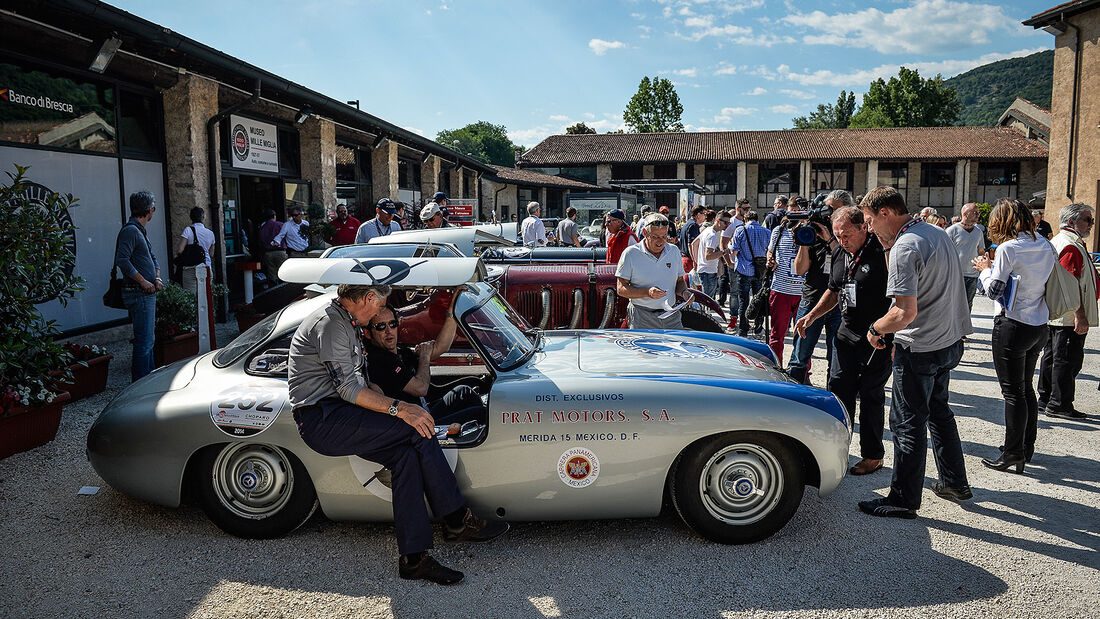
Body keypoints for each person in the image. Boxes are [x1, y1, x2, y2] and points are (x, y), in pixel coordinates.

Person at [288, 283, 508, 585]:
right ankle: (457, 520)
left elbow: (354, 379)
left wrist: (376, 392)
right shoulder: (332, 324)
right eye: (379, 307)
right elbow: (348, 388)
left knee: (405, 457)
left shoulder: (343, 319)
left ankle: (413, 559)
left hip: (338, 413)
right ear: (368, 299)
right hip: (323, 418)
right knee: (418, 428)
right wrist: (401, 409)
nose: (381, 313)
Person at [857, 186, 973, 519]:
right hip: (948, 341)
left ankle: (903, 499)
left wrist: (876, 328)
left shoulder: (907, 246)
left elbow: (903, 312)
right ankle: (954, 482)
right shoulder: (935, 232)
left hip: (920, 346)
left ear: (885, 213)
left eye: (869, 221)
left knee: (907, 423)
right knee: (939, 412)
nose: (869, 229)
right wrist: (885, 248)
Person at [794, 206, 891, 476]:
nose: (843, 240)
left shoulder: (882, 253)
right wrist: (812, 316)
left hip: (876, 337)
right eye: (838, 235)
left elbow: (900, 297)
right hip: (846, 334)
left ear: (864, 228)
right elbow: (834, 290)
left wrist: (893, 333)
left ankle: (873, 455)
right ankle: (839, 448)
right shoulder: (838, 251)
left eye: (847, 235)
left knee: (871, 395)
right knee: (838, 391)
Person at [972, 198, 1056, 472]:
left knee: (1012, 393)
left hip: (1013, 324)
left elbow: (994, 290)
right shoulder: (1044, 244)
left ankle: (1012, 452)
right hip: (1038, 324)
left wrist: (985, 270)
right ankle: (1024, 447)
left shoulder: (1009, 248)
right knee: (1025, 388)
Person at [364, 300, 486, 425]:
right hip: (415, 425)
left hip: (424, 411)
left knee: (464, 392)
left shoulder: (400, 352)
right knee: (480, 414)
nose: (389, 331)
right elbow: (420, 389)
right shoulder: (379, 360)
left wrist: (452, 312)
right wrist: (424, 357)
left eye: (392, 324)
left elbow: (441, 347)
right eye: (381, 327)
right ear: (367, 333)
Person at [1038, 203, 1098, 420]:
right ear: (1072, 221)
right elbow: (1070, 284)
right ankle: (1059, 404)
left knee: (1053, 356)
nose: (1091, 223)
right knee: (1067, 359)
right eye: (1087, 219)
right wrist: (1080, 315)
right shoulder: (1069, 244)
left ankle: (1047, 399)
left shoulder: (1064, 241)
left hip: (1062, 313)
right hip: (1068, 314)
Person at [787, 191, 848, 384]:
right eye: (826, 209)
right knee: (799, 356)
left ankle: (833, 396)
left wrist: (830, 238)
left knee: (837, 358)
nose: (828, 214)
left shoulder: (848, 236)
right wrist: (804, 240)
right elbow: (800, 269)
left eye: (833, 209)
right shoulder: (813, 231)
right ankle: (794, 396)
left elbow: (846, 261)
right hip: (812, 300)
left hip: (838, 303)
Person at [114, 191, 164, 381]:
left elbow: (152, 257)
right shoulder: (131, 231)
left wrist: (157, 278)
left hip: (146, 291)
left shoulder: (139, 230)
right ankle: (140, 385)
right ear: (149, 209)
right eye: (153, 207)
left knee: (148, 340)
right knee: (144, 341)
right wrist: (144, 282)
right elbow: (122, 260)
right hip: (139, 293)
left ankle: (147, 380)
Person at [616, 213, 692, 328]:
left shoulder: (674, 251)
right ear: (645, 233)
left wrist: (684, 292)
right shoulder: (631, 253)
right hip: (642, 317)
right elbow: (621, 289)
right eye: (655, 236)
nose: (660, 241)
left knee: (676, 346)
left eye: (664, 236)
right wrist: (647, 292)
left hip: (671, 315)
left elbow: (679, 281)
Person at [765, 217, 805, 361]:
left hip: (803, 292)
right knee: (777, 335)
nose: (796, 216)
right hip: (781, 290)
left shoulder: (809, 231)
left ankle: (802, 372)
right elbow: (770, 251)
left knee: (803, 336)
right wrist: (770, 259)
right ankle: (775, 366)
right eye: (793, 211)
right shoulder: (779, 230)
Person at [729, 210, 771, 337]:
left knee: (744, 301)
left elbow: (734, 252)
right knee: (759, 301)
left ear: (745, 220)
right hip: (760, 271)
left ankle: (743, 330)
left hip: (744, 270)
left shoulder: (740, 230)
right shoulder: (767, 232)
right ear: (757, 219)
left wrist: (731, 245)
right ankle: (758, 328)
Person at [946, 202, 988, 312]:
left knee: (968, 304)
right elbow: (944, 252)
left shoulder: (978, 232)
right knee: (953, 303)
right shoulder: (952, 230)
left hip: (972, 275)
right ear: (965, 213)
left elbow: (981, 251)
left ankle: (964, 327)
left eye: (979, 213)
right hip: (955, 275)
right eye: (976, 213)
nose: (978, 215)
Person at [174, 206, 215, 292]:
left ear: (191, 217)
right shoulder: (210, 233)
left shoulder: (188, 230)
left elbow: (180, 250)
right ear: (203, 217)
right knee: (206, 297)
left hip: (190, 267)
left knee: (191, 297)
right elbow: (211, 254)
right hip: (206, 266)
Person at [695, 210, 729, 299]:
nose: (727, 225)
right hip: (708, 272)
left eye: (729, 223)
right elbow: (708, 256)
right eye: (725, 223)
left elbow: (694, 244)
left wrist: (696, 261)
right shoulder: (712, 235)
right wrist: (724, 252)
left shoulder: (708, 230)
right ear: (718, 221)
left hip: (704, 270)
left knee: (705, 300)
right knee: (707, 301)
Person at [257, 209, 286, 283]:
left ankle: (274, 289)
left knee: (272, 274)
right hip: (280, 252)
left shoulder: (262, 227)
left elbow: (261, 241)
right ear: (274, 216)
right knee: (283, 273)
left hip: (268, 253)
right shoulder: (280, 225)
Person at [679, 205, 707, 278]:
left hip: (684, 258)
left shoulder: (687, 224)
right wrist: (695, 261)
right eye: (704, 214)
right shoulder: (693, 225)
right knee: (691, 286)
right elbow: (691, 244)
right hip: (689, 260)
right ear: (698, 215)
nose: (705, 216)